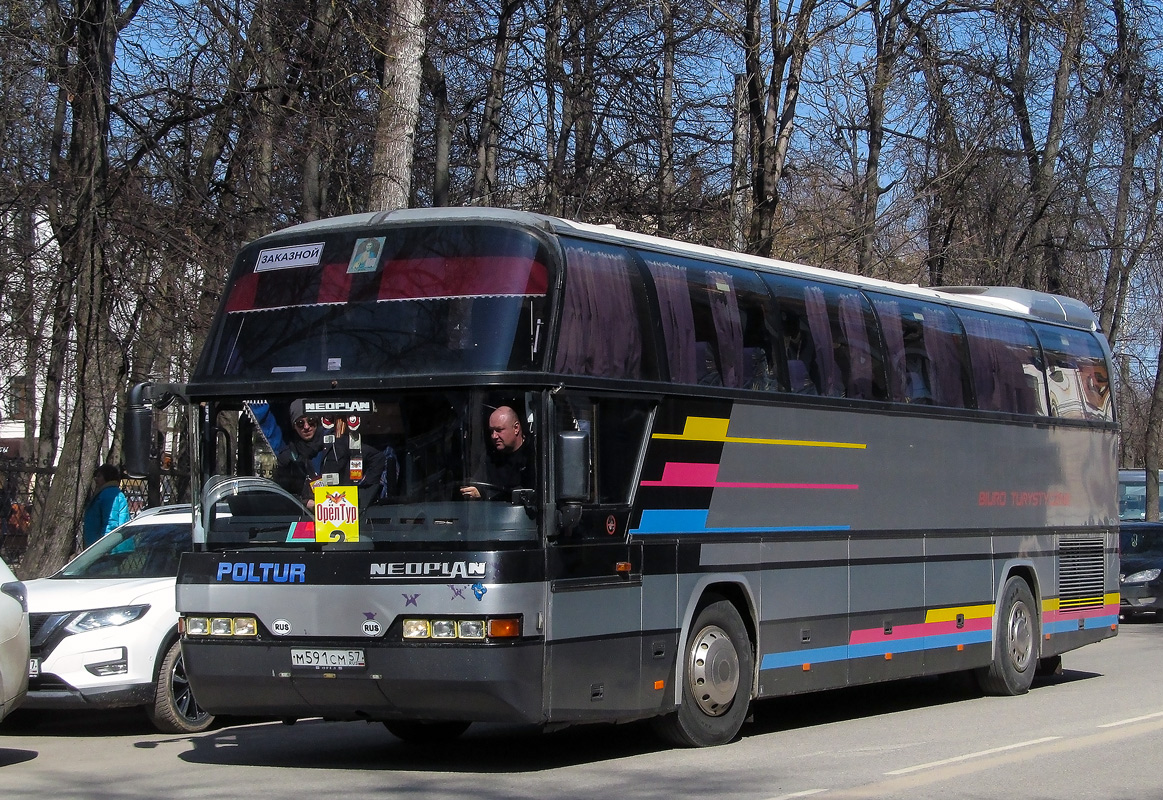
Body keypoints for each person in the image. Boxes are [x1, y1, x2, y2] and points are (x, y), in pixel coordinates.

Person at [460, 405, 534, 500]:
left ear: (516, 428)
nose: (494, 436)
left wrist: (485, 495)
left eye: (499, 430)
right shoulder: (490, 458)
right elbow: (477, 482)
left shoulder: (533, 454)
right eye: (491, 431)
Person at [83, 464, 130, 548]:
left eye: (99, 476)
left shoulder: (108, 494)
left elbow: (111, 522)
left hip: (109, 547)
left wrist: (105, 546)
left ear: (107, 477)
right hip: (118, 545)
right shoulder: (113, 492)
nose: (96, 479)